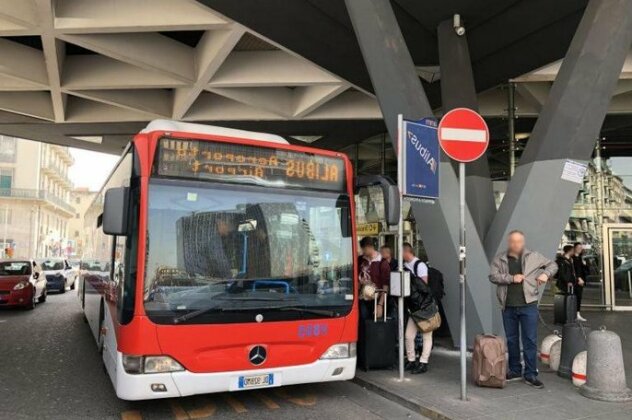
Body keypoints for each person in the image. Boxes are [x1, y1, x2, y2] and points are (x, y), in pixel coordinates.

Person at [489, 230, 557, 389]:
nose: (516, 244)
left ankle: (531, 373)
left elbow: (553, 265)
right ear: (509, 242)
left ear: (523, 242)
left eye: (519, 241)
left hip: (529, 305)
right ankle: (515, 370)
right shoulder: (500, 258)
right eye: (513, 241)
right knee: (512, 340)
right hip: (508, 306)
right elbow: (493, 276)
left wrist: (546, 275)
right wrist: (511, 278)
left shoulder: (533, 256)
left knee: (530, 340)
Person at [402, 242, 436, 374]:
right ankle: (411, 359)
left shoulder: (419, 265)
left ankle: (423, 362)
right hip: (414, 307)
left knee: (427, 334)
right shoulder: (404, 266)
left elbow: (424, 286)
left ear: (406, 252)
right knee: (409, 336)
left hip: (424, 307)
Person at [358, 237, 390, 320]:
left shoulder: (382, 262)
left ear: (369, 247)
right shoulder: (361, 260)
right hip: (362, 299)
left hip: (376, 300)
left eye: (363, 249)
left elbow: (385, 286)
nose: (362, 251)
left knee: (374, 326)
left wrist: (380, 305)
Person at [571, 242, 587, 322]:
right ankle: (572, 314)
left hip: (581, 281)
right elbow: (572, 271)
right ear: (574, 248)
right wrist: (578, 279)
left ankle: (577, 314)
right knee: (573, 298)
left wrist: (585, 264)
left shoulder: (581, 258)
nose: (580, 249)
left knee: (579, 298)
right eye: (578, 247)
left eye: (581, 248)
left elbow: (585, 270)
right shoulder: (572, 258)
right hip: (574, 281)